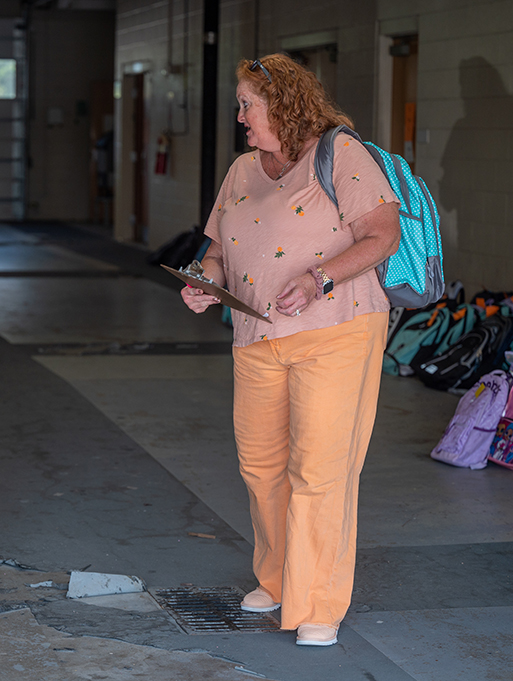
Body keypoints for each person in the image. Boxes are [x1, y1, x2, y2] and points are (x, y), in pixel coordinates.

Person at [180, 54, 400, 647]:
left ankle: (319, 603)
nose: (239, 115)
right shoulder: (242, 170)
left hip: (336, 332)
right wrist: (207, 282)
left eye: (247, 103)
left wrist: (319, 278)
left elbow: (383, 235)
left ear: (283, 104)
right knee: (261, 467)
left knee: (321, 472)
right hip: (256, 336)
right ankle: (277, 578)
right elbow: (218, 250)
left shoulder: (341, 156)